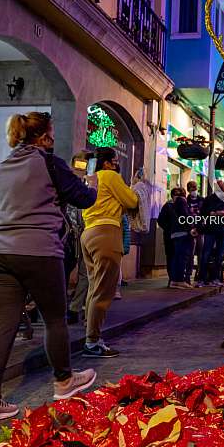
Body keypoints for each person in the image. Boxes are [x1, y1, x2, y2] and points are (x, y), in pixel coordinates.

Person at [0, 112, 97, 425]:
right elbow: (84, 198)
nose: (54, 139)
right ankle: (65, 382)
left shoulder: (3, 166)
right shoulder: (50, 163)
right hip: (38, 251)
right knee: (55, 318)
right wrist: (92, 181)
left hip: (0, 251)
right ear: (42, 137)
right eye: (51, 133)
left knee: (3, 325)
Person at [80, 147, 142, 358]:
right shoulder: (109, 176)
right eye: (115, 161)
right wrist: (137, 186)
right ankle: (92, 342)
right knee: (104, 290)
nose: (117, 165)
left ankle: (91, 335)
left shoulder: (92, 178)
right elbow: (132, 201)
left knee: (93, 287)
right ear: (107, 163)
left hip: (89, 232)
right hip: (107, 232)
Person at [66, 151, 92, 324]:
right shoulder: (67, 180)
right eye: (79, 163)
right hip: (68, 235)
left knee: (84, 272)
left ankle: (74, 308)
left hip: (87, 234)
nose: (81, 167)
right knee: (64, 271)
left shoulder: (93, 184)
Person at [197, 179, 224, 287]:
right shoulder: (209, 199)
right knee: (206, 255)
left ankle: (215, 278)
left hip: (222, 231)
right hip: (211, 229)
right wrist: (211, 214)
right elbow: (202, 213)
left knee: (219, 256)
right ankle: (202, 278)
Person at [167, 187, 198, 288]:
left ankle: (174, 279)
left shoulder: (173, 204)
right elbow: (185, 217)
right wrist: (193, 215)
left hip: (175, 232)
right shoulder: (182, 202)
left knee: (176, 256)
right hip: (182, 232)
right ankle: (179, 279)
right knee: (182, 256)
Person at [157, 189, 178, 283]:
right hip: (169, 236)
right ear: (172, 196)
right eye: (177, 195)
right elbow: (160, 220)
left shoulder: (181, 206)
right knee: (170, 256)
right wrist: (169, 229)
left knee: (177, 256)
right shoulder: (168, 207)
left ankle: (176, 276)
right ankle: (172, 276)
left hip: (177, 235)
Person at [184, 181, 204, 282]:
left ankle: (199, 275)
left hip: (200, 230)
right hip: (190, 231)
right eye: (192, 190)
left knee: (201, 254)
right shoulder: (186, 202)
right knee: (189, 254)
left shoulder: (202, 201)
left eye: (195, 189)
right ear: (188, 190)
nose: (194, 192)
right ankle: (187, 275)